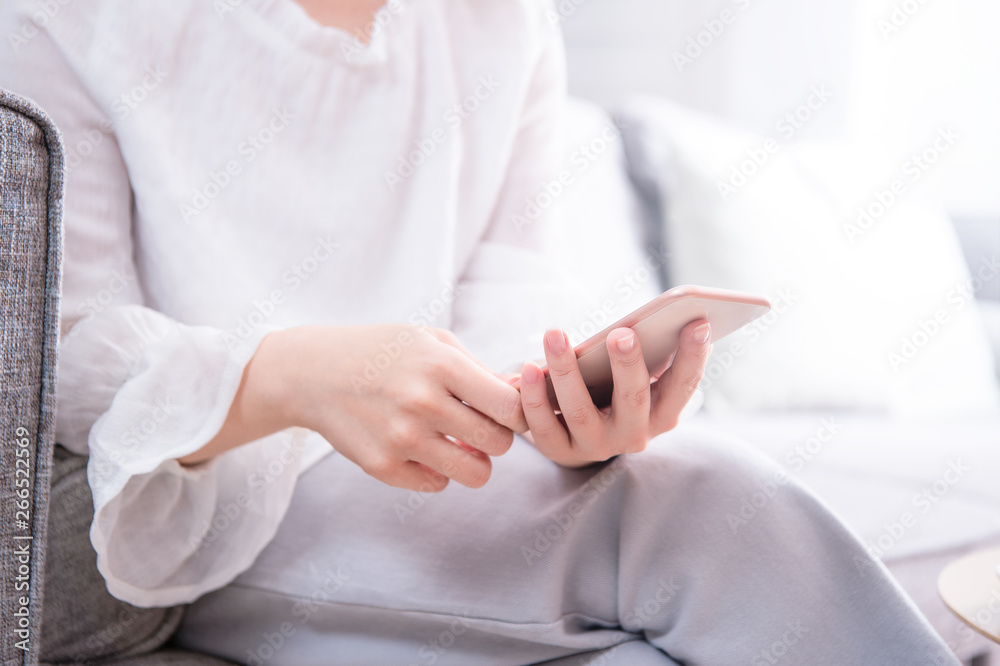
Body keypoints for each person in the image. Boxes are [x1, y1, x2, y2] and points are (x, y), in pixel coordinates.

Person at [0, 0, 958, 663]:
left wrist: (560, 403)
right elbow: (60, 352)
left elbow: (512, 280)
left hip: (455, 465)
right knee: (703, 501)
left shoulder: (500, 20)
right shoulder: (74, 18)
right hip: (208, 496)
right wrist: (285, 376)